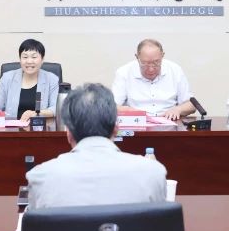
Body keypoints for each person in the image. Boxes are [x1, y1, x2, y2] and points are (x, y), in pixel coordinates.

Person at [26, 83, 167, 210]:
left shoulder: (40, 177)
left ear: (68, 133)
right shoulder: (153, 173)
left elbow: (32, 228)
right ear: (116, 129)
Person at [111, 38, 196, 121]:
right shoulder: (124, 72)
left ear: (162, 56)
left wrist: (178, 109)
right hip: (137, 123)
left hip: (170, 122)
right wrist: (130, 111)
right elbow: (111, 107)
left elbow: (192, 105)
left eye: (156, 62)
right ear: (137, 57)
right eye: (145, 63)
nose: (151, 69)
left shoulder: (175, 70)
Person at [0, 39, 59, 120]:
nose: (29, 61)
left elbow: (56, 108)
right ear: (20, 59)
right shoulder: (7, 78)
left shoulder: (51, 79)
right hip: (12, 127)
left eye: (34, 57)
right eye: (25, 57)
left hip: (40, 127)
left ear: (42, 59)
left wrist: (36, 113)